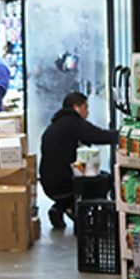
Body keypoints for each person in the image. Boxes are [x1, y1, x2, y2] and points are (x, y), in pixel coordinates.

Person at [39, 91, 118, 230]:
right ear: (76, 107)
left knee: (81, 175)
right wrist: (123, 135)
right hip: (64, 183)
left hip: (47, 184)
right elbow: (98, 135)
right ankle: (79, 214)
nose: (87, 112)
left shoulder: (54, 125)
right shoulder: (73, 122)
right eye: (85, 108)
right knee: (104, 180)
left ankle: (60, 207)